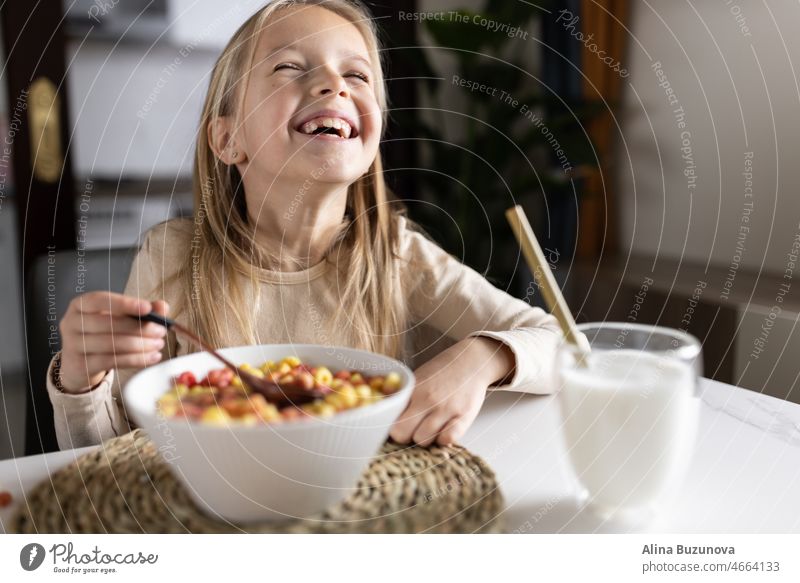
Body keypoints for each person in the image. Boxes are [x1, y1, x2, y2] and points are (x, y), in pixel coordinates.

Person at [49, 0, 562, 450]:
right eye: (290, 67)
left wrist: (480, 355)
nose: (333, 85)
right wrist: (82, 376)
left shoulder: (397, 256)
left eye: (357, 76)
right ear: (228, 140)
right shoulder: (172, 259)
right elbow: (113, 459)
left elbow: (557, 340)